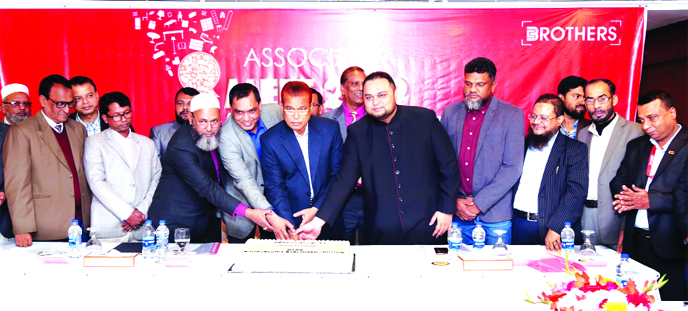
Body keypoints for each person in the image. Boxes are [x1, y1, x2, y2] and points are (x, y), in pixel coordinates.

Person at [295, 72, 461, 245]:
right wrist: (319, 221)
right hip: (382, 230)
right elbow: (344, 180)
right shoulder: (358, 132)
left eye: (381, 95)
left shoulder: (424, 119)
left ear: (395, 93)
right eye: (369, 97)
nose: (375, 102)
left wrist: (446, 209)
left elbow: (448, 167)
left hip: (429, 223)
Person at [147, 93, 274, 243]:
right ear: (190, 118)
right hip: (176, 224)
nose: (209, 128)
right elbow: (208, 188)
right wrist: (249, 213)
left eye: (214, 121)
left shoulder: (216, 134)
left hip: (208, 222)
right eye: (202, 121)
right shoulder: (180, 147)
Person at [611, 90, 688, 301]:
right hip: (635, 243)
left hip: (672, 246)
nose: (645, 126)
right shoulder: (637, 146)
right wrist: (627, 198)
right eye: (641, 120)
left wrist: (649, 200)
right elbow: (618, 181)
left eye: (652, 118)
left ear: (672, 112)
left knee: (671, 301)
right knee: (634, 301)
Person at [441, 57, 524, 245]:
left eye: (480, 84)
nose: (472, 90)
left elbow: (512, 167)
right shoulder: (450, 112)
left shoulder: (511, 115)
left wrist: (479, 204)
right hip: (457, 214)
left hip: (495, 216)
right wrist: (454, 200)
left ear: (493, 85)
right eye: (468, 84)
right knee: (456, 270)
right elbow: (442, 163)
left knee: (497, 271)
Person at [3, 75, 91, 247]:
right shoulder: (22, 132)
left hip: (80, 223)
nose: (66, 110)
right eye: (60, 104)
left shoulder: (78, 129)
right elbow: (17, 184)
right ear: (43, 100)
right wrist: (22, 227)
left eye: (69, 103)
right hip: (45, 225)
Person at [261, 81, 343, 240]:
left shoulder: (330, 129)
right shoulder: (270, 140)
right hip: (292, 218)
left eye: (302, 109)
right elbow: (275, 187)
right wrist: (290, 227)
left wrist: (318, 208)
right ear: (281, 106)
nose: (296, 116)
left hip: (327, 214)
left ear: (311, 106)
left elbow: (337, 175)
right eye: (290, 109)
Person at [511, 94, 588, 250]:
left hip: (550, 227)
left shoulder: (575, 149)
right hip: (518, 224)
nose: (536, 122)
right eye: (533, 116)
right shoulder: (521, 145)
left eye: (544, 118)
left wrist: (556, 228)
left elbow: (576, 192)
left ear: (559, 120)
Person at [84, 92, 161, 242]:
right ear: (105, 118)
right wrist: (127, 214)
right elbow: (97, 183)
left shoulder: (147, 143)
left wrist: (140, 212)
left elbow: (156, 179)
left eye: (127, 113)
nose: (124, 119)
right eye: (117, 115)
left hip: (142, 225)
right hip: (110, 227)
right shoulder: (94, 143)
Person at [577, 79, 643, 249]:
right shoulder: (583, 134)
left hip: (616, 219)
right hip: (584, 217)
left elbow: (638, 181)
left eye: (602, 98)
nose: (596, 105)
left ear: (614, 100)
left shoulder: (636, 131)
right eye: (590, 100)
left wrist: (624, 228)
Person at [218, 83, 286, 243]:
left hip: (278, 197)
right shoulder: (226, 137)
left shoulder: (275, 112)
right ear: (230, 109)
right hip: (243, 203)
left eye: (252, 111)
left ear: (260, 105)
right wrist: (270, 213)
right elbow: (244, 181)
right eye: (239, 112)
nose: (246, 118)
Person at [320, 66, 367, 244]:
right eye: (355, 83)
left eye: (364, 83)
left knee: (373, 253)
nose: (361, 88)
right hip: (340, 201)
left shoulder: (377, 119)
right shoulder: (325, 121)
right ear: (342, 88)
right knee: (339, 251)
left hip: (373, 200)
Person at [149, 87, 200, 166]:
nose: (185, 107)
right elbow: (155, 168)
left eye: (190, 103)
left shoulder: (207, 131)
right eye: (180, 103)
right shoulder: (159, 133)